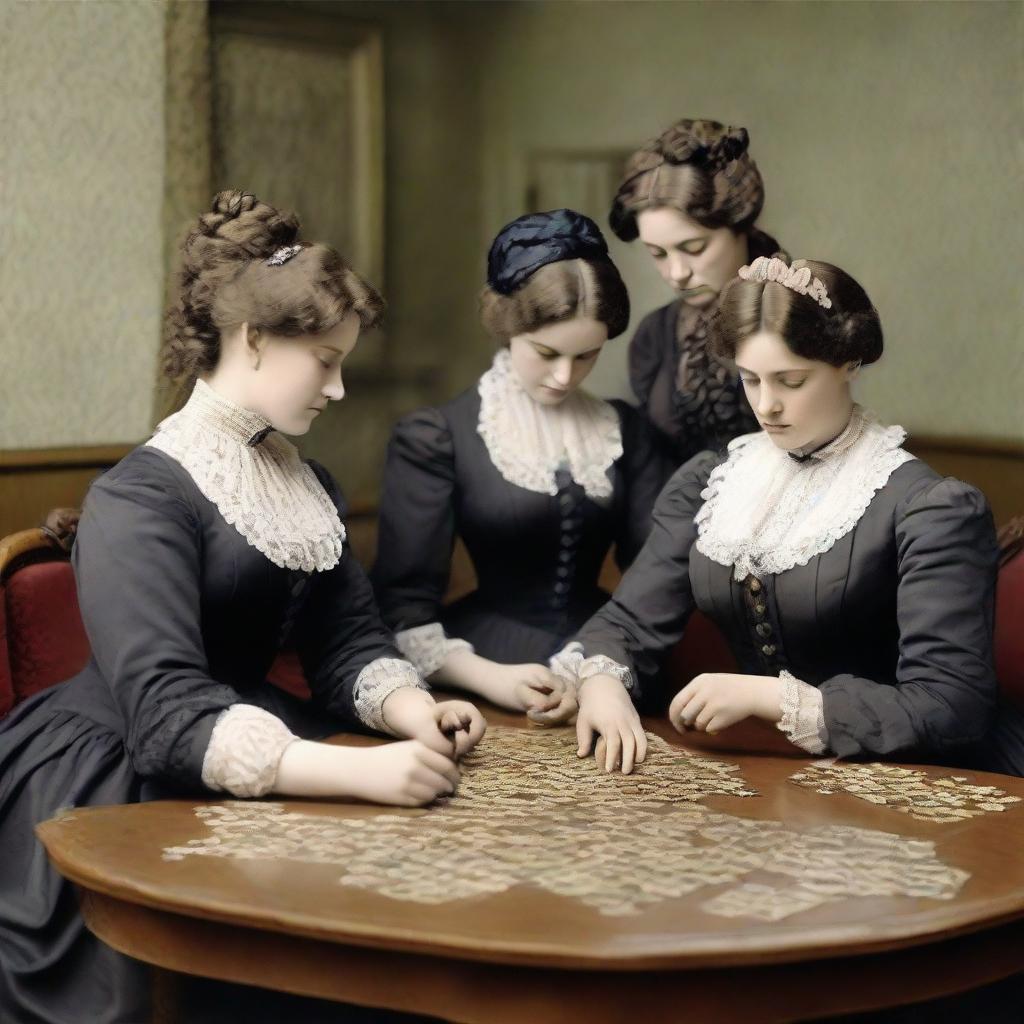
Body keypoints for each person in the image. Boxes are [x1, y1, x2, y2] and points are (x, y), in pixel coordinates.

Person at [0, 190, 485, 1024]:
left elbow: (347, 644)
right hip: (119, 778)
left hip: (259, 736)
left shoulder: (306, 482)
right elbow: (162, 709)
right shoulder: (139, 496)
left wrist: (416, 712)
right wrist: (362, 770)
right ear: (252, 339)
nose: (336, 389)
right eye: (324, 361)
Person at [555, 254, 1000, 776]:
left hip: (919, 777)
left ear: (848, 364)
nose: (766, 405)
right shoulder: (714, 482)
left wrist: (771, 699)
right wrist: (603, 684)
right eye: (750, 379)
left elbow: (951, 706)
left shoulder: (929, 508)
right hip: (767, 768)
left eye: (790, 381)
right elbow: (628, 620)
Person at [371, 210, 664, 719]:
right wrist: (491, 678)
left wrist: (596, 663)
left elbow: (655, 574)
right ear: (507, 327)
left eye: (586, 356)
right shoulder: (439, 436)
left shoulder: (625, 431)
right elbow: (403, 607)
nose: (563, 375)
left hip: (608, 664)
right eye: (545, 352)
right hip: (485, 669)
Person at [609, 117, 782, 472]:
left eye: (694, 247)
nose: (677, 273)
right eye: (658, 253)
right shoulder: (654, 337)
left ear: (740, 228)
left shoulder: (797, 315)